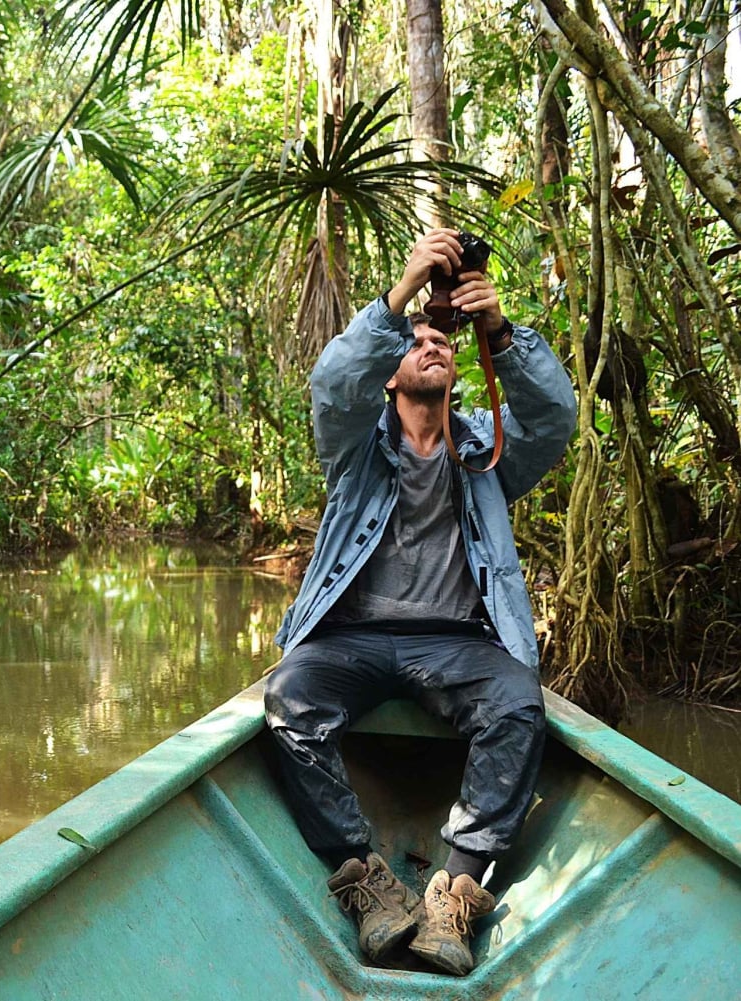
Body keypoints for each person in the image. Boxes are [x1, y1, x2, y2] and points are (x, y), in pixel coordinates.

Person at [264, 229, 577, 976]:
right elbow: (332, 383)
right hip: (355, 640)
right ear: (392, 377)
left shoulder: (488, 453)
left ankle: (455, 888)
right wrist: (402, 293)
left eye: (444, 340)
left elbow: (558, 415)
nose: (433, 344)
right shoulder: (355, 447)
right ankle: (365, 877)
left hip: (458, 644)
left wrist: (499, 330)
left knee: (517, 705)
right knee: (287, 699)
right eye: (415, 341)